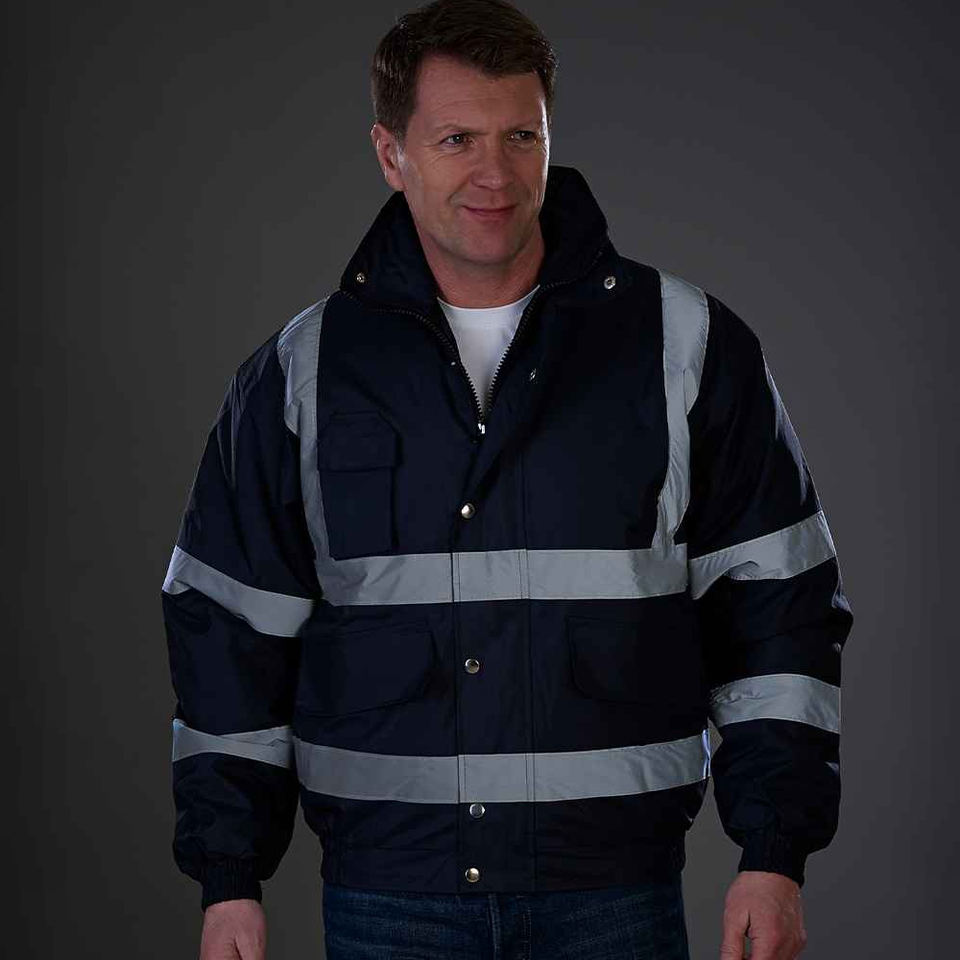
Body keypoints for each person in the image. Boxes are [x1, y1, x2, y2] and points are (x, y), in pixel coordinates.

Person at [160, 1, 854, 957]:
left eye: (521, 135)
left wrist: (774, 856)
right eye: (457, 139)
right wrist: (229, 878)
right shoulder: (302, 371)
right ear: (390, 153)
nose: (496, 173)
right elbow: (229, 631)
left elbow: (780, 611)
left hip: (612, 896)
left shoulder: (685, 344)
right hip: (389, 902)